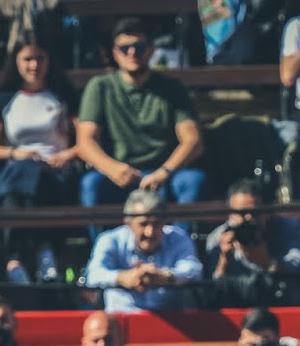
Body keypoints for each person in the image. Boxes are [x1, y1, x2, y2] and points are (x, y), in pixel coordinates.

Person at [77, 19, 205, 209]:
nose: (132, 53)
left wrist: (164, 172)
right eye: (124, 48)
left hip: (164, 171)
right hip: (119, 172)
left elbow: (193, 140)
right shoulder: (100, 86)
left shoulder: (172, 87)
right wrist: (112, 168)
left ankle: (181, 231)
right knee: (91, 184)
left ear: (151, 49)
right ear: (115, 53)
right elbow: (85, 142)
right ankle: (98, 231)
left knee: (193, 181)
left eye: (139, 46)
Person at [0, 41, 82, 210]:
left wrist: (66, 155)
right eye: (28, 59)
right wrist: (16, 153)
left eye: (40, 59)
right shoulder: (4, 99)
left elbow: (87, 140)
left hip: (56, 171)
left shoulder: (64, 96)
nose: (34, 65)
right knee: (24, 170)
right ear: (16, 62)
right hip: (17, 171)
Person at [85, 188, 204, 314]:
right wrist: (122, 277)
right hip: (120, 319)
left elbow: (194, 269)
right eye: (143, 224)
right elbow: (93, 275)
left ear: (164, 222)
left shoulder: (178, 238)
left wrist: (165, 276)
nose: (150, 232)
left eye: (156, 224)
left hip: (170, 320)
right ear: (128, 222)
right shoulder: (110, 239)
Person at [205, 180, 300, 308]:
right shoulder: (218, 238)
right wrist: (224, 261)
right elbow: (212, 291)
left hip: (280, 302)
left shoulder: (288, 228)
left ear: (267, 212)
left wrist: (267, 263)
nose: (249, 218)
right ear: (230, 214)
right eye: (242, 213)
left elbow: (299, 266)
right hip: (237, 304)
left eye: (255, 212)